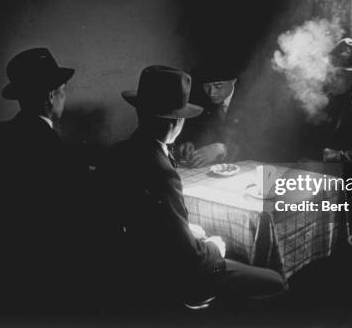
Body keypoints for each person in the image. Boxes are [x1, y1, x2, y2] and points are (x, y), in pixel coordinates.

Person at [105, 65, 286, 307]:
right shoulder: (163, 173)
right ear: (177, 123)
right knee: (275, 281)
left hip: (135, 264)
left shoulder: (120, 152)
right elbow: (190, 258)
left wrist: (186, 229)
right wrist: (214, 248)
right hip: (174, 276)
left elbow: (148, 221)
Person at [0, 48, 92, 317]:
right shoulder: (59, 154)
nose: (64, 97)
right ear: (50, 96)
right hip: (40, 284)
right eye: (63, 90)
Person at [303, 38, 352, 163]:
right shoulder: (315, 98)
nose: (331, 80)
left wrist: (339, 156)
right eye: (330, 73)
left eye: (339, 75)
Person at [175, 66, 243, 167]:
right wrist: (190, 143)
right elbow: (195, 129)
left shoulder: (250, 98)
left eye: (218, 86)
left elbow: (261, 144)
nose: (212, 92)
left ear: (233, 81)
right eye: (207, 86)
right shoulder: (200, 98)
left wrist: (223, 149)